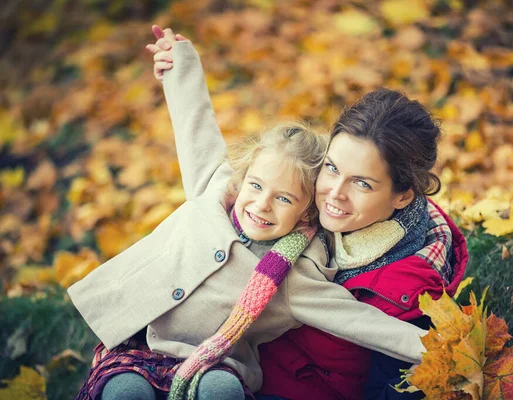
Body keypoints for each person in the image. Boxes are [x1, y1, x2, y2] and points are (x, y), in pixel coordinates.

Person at [68, 28, 429, 400]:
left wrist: (442, 349)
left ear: (306, 211)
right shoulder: (218, 188)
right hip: (138, 345)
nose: (261, 205)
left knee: (221, 391)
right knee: (125, 392)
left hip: (215, 363)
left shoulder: (295, 272)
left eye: (285, 199)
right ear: (244, 178)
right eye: (256, 187)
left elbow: (360, 322)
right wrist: (180, 63)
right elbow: (196, 126)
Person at [255, 70, 469, 399]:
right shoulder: (302, 202)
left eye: (361, 183)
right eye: (331, 168)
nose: (333, 193)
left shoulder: (410, 298)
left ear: (403, 196)